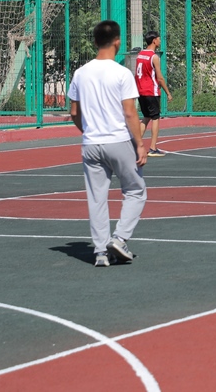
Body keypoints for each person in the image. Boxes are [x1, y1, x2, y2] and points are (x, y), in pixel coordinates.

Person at [68, 20, 148, 267]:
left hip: (91, 144)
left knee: (97, 198)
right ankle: (120, 238)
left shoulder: (80, 73)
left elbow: (74, 112)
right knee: (135, 190)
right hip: (118, 140)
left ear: (95, 42)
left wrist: (88, 131)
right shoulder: (122, 73)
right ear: (118, 41)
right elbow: (130, 112)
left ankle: (101, 252)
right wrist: (140, 143)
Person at [135, 31, 172, 157]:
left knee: (146, 117)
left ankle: (135, 145)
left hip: (140, 91)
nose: (160, 41)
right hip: (151, 91)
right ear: (154, 41)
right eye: (159, 39)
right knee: (155, 118)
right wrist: (168, 92)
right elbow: (160, 78)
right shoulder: (154, 57)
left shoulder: (140, 55)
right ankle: (152, 148)